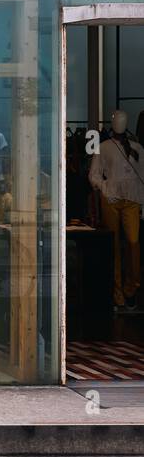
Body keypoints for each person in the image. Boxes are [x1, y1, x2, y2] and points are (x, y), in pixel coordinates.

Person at [89, 110, 144, 309]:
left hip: (131, 200)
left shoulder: (137, 148)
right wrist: (104, 187)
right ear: (113, 123)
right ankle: (117, 292)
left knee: (133, 242)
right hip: (111, 199)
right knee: (112, 246)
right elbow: (94, 175)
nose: (120, 122)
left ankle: (131, 287)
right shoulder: (103, 147)